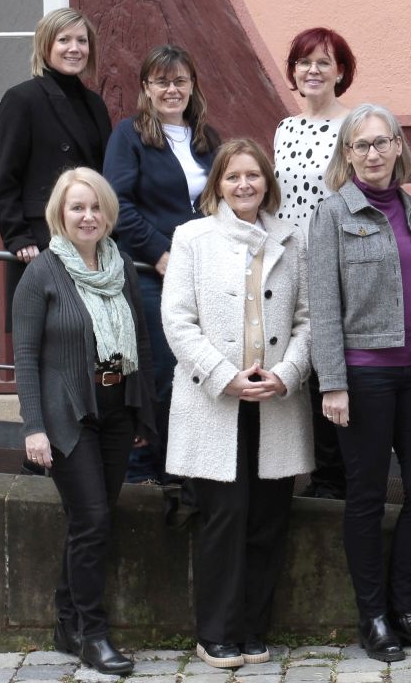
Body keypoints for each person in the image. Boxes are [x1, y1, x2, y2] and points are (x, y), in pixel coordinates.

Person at [308, 104, 411, 662]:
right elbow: (322, 303)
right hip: (363, 378)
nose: (372, 154)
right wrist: (333, 383)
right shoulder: (332, 214)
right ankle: (373, 616)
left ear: (399, 147)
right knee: (367, 497)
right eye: (361, 145)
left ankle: (407, 608)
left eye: (381, 143)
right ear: (347, 154)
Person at [161, 138, 314, 668]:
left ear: (267, 183)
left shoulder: (291, 240)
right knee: (224, 516)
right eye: (233, 177)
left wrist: (288, 373)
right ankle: (216, 631)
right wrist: (224, 377)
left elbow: (307, 319)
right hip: (215, 401)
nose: (244, 185)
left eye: (253, 176)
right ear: (217, 185)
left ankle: (252, 628)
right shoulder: (192, 238)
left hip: (275, 399)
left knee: (269, 517)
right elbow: (177, 320)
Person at [12, 168, 154, 675]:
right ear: (60, 214)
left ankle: (67, 623)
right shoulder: (43, 272)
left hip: (116, 414)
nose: (87, 216)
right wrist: (33, 426)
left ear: (107, 213)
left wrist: (139, 411)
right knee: (92, 521)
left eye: (95, 207)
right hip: (67, 417)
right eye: (77, 207)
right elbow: (25, 357)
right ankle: (93, 634)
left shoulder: (121, 268)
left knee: (90, 524)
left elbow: (136, 338)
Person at [104, 45, 219, 483]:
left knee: (195, 370)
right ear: (146, 89)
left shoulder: (208, 138)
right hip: (152, 273)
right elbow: (118, 203)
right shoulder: (129, 135)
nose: (172, 89)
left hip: (203, 272)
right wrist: (160, 253)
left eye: (180, 81)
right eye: (162, 81)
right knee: (160, 370)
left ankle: (185, 467)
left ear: (192, 86)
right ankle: (148, 470)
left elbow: (223, 198)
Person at [274, 28, 357, 501]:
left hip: (337, 263)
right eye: (304, 62)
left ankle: (336, 476)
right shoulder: (284, 128)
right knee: (297, 366)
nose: (313, 71)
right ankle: (305, 467)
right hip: (289, 262)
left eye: (324, 62)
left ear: (340, 71)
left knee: (332, 369)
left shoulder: (353, 126)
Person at [0, 8, 111, 331]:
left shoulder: (95, 104)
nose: (74, 48)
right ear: (46, 45)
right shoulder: (22, 99)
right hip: (41, 241)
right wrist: (18, 237)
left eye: (82, 41)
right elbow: (6, 177)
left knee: (95, 339)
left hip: (91, 240)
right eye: (64, 40)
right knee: (47, 344)